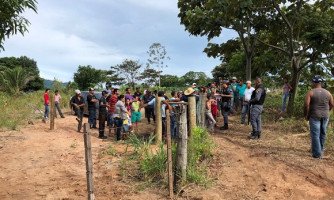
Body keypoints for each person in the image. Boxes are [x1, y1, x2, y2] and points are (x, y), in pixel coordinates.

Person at [304, 75, 333, 158]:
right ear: (321, 83)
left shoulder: (311, 92)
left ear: (313, 82)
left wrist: (306, 115)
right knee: (323, 133)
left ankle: (317, 154)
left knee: (315, 134)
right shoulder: (328, 92)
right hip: (325, 116)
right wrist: (327, 111)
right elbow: (332, 104)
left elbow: (306, 105)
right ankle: (321, 150)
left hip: (314, 115)